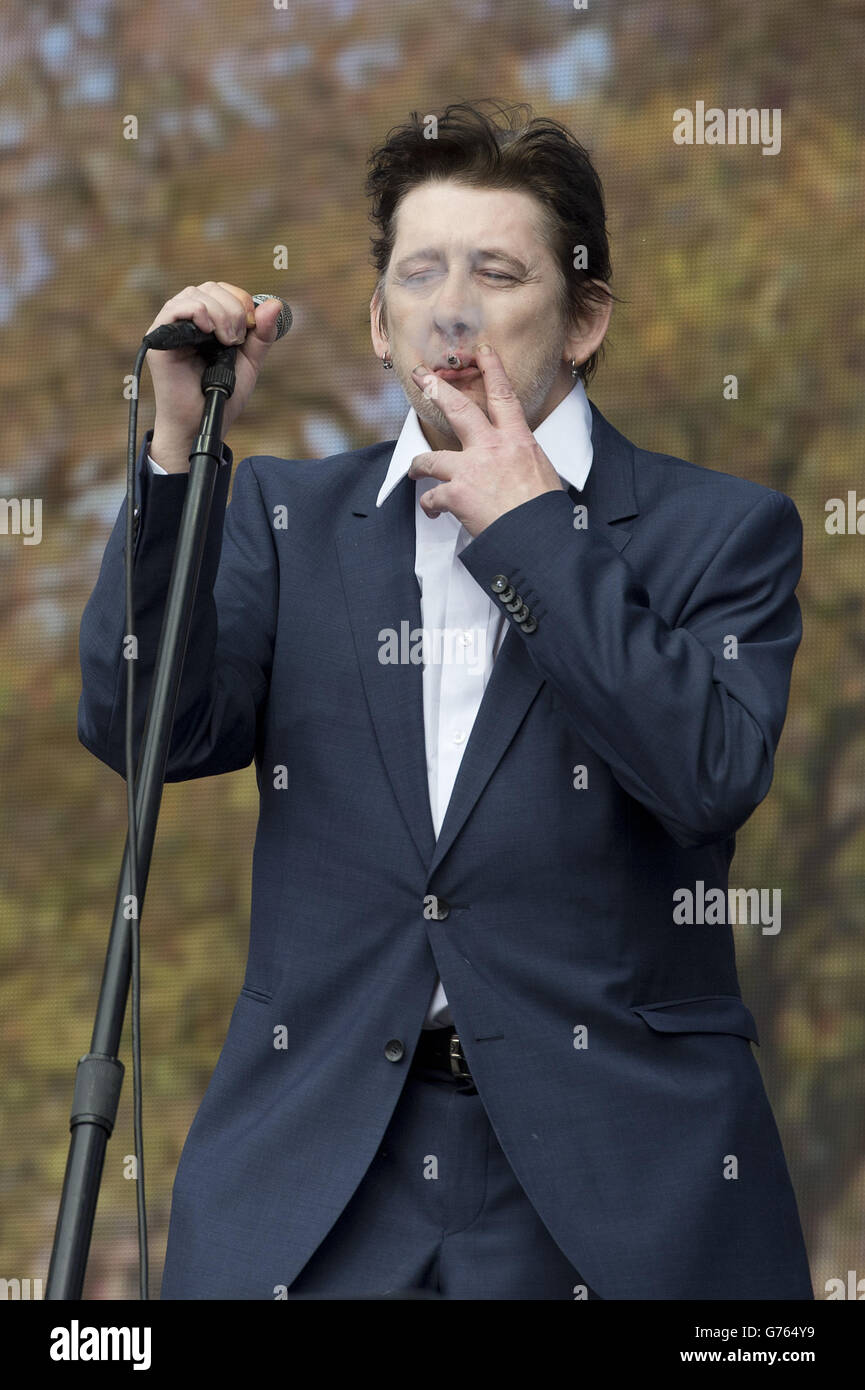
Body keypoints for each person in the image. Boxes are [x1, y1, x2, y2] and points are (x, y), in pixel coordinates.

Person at [78, 99, 813, 1300]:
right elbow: (135, 726)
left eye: (496, 271)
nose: (452, 305)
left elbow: (706, 775)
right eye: (419, 272)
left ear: (584, 319)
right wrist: (174, 450)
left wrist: (531, 529)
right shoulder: (281, 517)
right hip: (318, 1177)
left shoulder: (719, 532)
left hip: (613, 1188)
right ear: (378, 323)